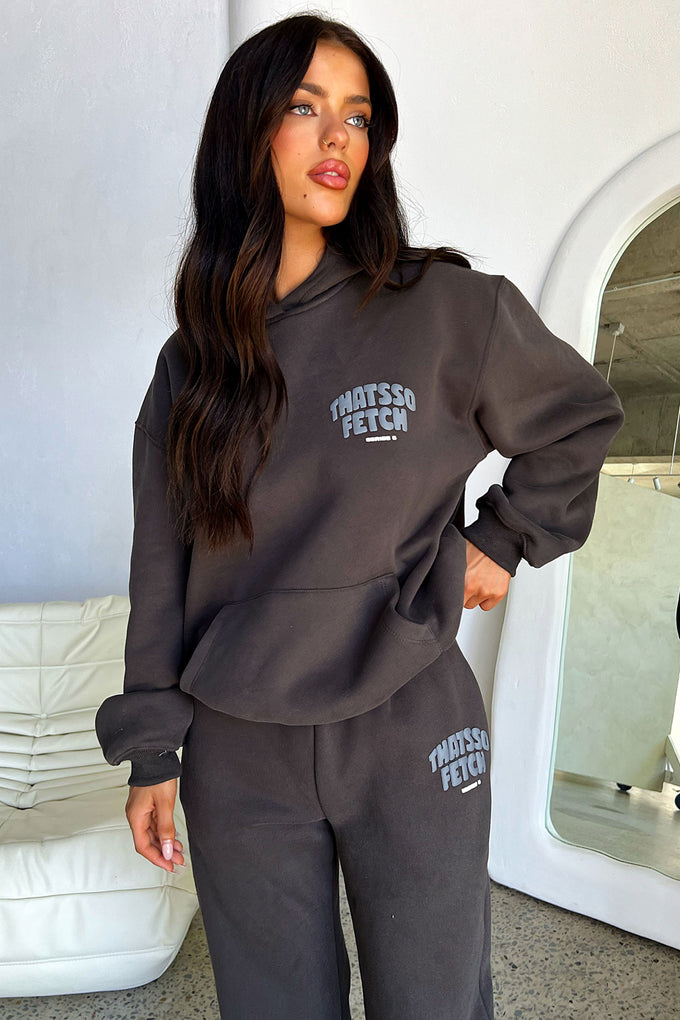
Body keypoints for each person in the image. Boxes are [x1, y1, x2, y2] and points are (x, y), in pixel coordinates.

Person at [95, 12, 624, 1019]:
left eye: (359, 114)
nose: (339, 136)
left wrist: (502, 539)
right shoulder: (193, 364)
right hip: (238, 744)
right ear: (246, 131)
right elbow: (160, 566)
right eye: (305, 108)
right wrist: (152, 754)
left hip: (409, 720)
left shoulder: (447, 309)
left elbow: (577, 419)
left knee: (432, 1002)